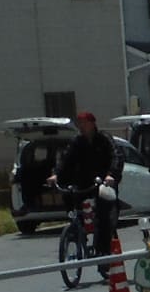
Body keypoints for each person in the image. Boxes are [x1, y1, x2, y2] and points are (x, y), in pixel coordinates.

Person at [52, 110, 123, 257]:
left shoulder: (104, 139)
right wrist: (57, 175)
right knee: (69, 196)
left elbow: (116, 156)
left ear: (92, 124)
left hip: (102, 182)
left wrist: (111, 175)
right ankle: (76, 231)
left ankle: (103, 251)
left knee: (103, 215)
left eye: (84, 123)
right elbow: (66, 159)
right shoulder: (76, 142)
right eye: (80, 124)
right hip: (83, 182)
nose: (82, 126)